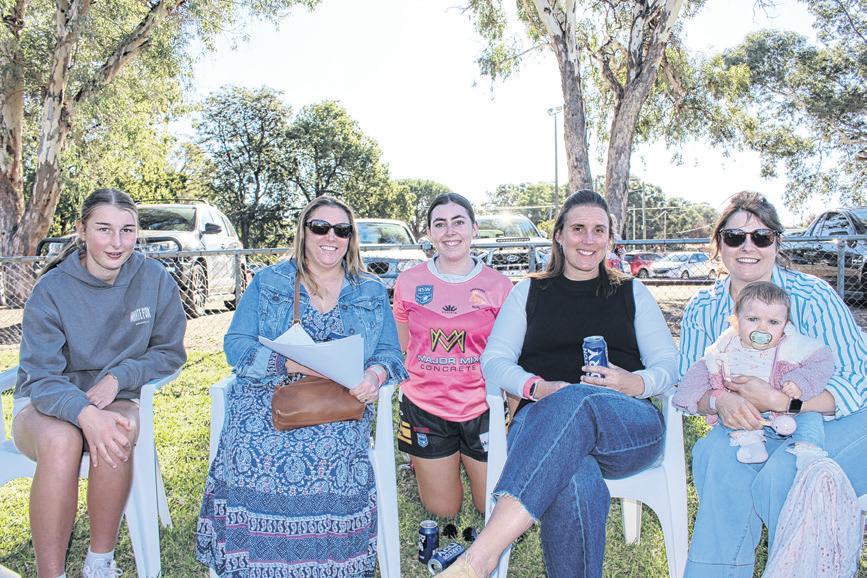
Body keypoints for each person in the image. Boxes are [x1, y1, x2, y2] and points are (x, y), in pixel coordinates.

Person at [440, 189, 679, 578]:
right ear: (559, 235)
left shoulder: (631, 291)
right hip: (542, 423)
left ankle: (481, 557)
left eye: (599, 230)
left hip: (626, 427)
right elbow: (494, 361)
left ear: (610, 238)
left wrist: (633, 383)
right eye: (578, 229)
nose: (589, 239)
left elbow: (668, 364)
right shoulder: (529, 291)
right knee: (573, 475)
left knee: (580, 400)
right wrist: (538, 388)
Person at [196, 196, 407, 578]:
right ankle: (255, 566)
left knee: (331, 454)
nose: (331, 237)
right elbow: (237, 344)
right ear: (304, 232)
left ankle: (329, 567)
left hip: (340, 400)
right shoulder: (270, 282)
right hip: (269, 391)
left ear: (351, 238)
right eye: (320, 227)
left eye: (341, 230)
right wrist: (288, 362)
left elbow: (390, 352)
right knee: (250, 447)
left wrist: (374, 377)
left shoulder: (370, 290)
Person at [678, 191, 866, 577]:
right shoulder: (702, 308)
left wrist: (783, 401)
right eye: (734, 237)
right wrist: (719, 401)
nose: (748, 247)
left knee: (783, 475)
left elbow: (858, 380)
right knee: (718, 458)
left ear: (776, 243)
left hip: (835, 419)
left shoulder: (812, 296)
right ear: (718, 244)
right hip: (753, 427)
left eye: (761, 237)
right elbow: (689, 383)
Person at [12, 188, 187, 578]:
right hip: (45, 403)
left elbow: (169, 352)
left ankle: (100, 562)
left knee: (116, 430)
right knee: (62, 440)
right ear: (81, 230)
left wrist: (119, 376)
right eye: (104, 229)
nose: (117, 242)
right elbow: (42, 377)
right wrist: (84, 412)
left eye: (127, 230)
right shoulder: (51, 289)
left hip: (118, 397)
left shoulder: (154, 279)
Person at [392, 193, 513, 517]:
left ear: (474, 228)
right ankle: (428, 460)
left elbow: (511, 355)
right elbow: (401, 344)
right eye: (440, 224)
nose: (449, 231)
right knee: (444, 511)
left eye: (458, 222)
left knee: (490, 509)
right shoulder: (409, 281)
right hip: (425, 407)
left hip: (482, 405)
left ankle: (464, 456)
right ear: (429, 233)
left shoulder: (499, 286)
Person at [674, 281, 833, 464]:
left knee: (810, 417)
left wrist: (799, 382)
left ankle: (809, 453)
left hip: (789, 410)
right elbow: (695, 377)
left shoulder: (793, 348)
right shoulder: (723, 352)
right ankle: (751, 444)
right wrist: (690, 397)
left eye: (773, 322)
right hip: (746, 410)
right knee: (734, 417)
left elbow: (822, 362)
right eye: (753, 319)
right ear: (736, 322)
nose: (762, 328)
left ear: (785, 326)